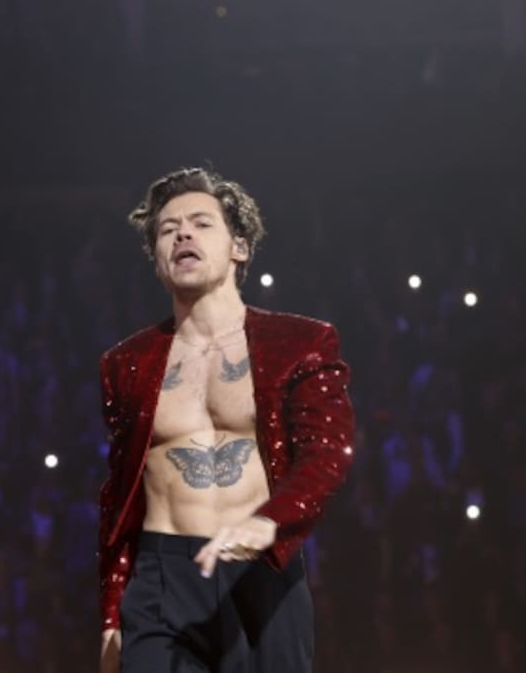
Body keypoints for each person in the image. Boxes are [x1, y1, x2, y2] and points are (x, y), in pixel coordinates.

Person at [97, 168, 355, 672]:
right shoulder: (126, 363)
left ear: (239, 246)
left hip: (261, 572)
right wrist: (111, 612)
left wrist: (270, 521)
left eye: (200, 223)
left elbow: (327, 454)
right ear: (157, 260)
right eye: (168, 230)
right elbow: (118, 497)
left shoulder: (301, 343)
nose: (182, 235)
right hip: (161, 577)